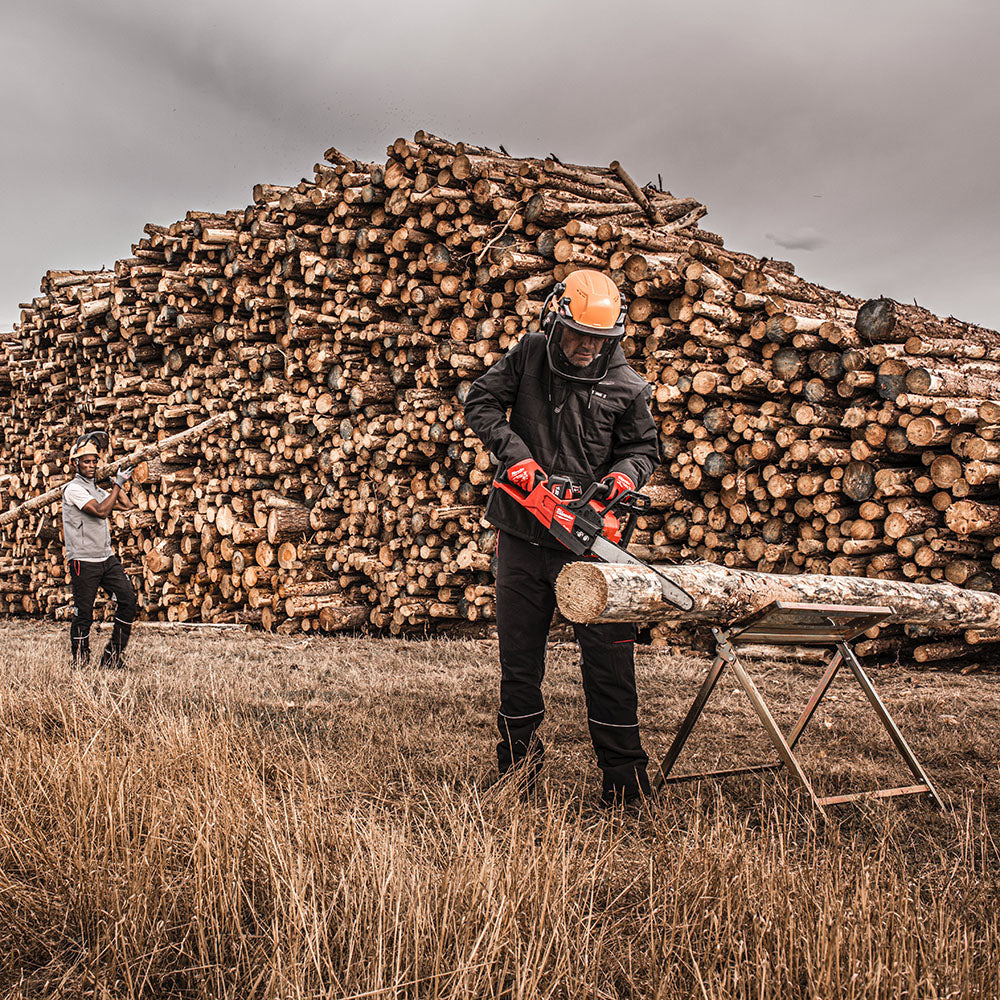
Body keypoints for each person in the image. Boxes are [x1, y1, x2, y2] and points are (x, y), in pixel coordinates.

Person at [464, 268, 660, 805]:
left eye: (597, 340)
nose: (584, 347)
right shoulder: (529, 354)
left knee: (610, 663)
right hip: (522, 533)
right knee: (519, 659)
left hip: (590, 542)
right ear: (556, 319)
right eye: (577, 335)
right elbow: (479, 403)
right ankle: (516, 771)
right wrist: (518, 457)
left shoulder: (627, 385)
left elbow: (644, 450)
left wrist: (623, 478)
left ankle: (625, 785)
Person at [61, 433, 138, 668]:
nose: (91, 466)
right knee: (83, 613)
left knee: (128, 599)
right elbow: (101, 511)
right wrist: (117, 484)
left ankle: (112, 657)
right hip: (83, 561)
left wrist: (112, 481)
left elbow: (126, 504)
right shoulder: (73, 489)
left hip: (106, 558)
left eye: (95, 462)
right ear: (75, 463)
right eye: (86, 462)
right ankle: (80, 663)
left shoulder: (97, 490)